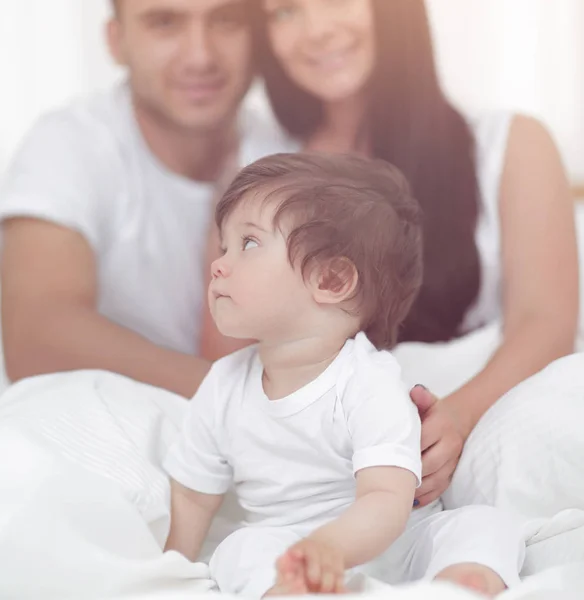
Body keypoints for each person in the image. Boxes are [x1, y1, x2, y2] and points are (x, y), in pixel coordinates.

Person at [200, 0, 580, 507]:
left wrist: (458, 417)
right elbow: (227, 353)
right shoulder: (254, 171)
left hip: (478, 398)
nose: (316, 30)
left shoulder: (510, 143)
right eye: (284, 12)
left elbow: (546, 323)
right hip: (326, 439)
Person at [164, 153, 525, 599]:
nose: (219, 264)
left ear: (331, 279)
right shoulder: (223, 385)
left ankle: (458, 583)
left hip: (400, 547)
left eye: (249, 244)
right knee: (239, 547)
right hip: (291, 554)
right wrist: (170, 568)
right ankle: (295, 591)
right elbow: (193, 496)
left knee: (484, 523)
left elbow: (385, 499)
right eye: (224, 247)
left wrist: (328, 548)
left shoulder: (367, 381)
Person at [0, 0, 294, 398]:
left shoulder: (287, 156)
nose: (200, 56)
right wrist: (234, 401)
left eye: (225, 21)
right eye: (164, 23)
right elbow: (35, 336)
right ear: (116, 41)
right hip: (94, 433)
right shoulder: (69, 143)